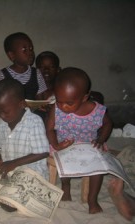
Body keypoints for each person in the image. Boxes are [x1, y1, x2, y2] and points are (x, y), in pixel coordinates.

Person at [46, 67, 113, 214]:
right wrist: (56, 144)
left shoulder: (97, 111)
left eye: (69, 102)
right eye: (59, 100)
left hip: (90, 144)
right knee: (63, 163)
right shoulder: (56, 109)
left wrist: (101, 139)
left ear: (84, 97)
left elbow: (108, 124)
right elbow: (50, 129)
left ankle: (92, 199)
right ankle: (66, 185)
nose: (63, 106)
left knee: (98, 168)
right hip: (65, 144)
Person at [0, 78, 50, 211]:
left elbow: (43, 152)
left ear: (22, 104)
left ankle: (9, 196)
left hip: (31, 172)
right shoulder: (2, 124)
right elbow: (4, 149)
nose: (2, 116)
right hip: (10, 169)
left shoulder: (34, 122)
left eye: (5, 111)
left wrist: (13, 163)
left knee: (8, 205)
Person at [0, 32, 47, 100]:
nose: (30, 53)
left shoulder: (36, 73)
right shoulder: (3, 74)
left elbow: (40, 98)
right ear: (12, 55)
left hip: (33, 110)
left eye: (31, 49)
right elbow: (2, 99)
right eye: (24, 50)